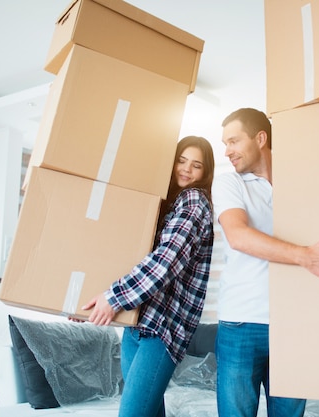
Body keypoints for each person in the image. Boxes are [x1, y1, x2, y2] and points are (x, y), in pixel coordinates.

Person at [212, 108, 319, 417]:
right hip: (242, 321)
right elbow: (238, 236)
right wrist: (306, 257)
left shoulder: (303, 184)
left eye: (233, 141)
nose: (227, 151)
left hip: (294, 323)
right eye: (225, 143)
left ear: (261, 138)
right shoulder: (230, 184)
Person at [78, 136, 215, 417]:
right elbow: (126, 257)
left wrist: (114, 298)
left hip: (161, 330)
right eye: (181, 160)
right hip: (136, 324)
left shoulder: (194, 202)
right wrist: (85, 302)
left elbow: (166, 261)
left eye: (196, 165)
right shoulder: (163, 204)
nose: (186, 169)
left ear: (205, 172)